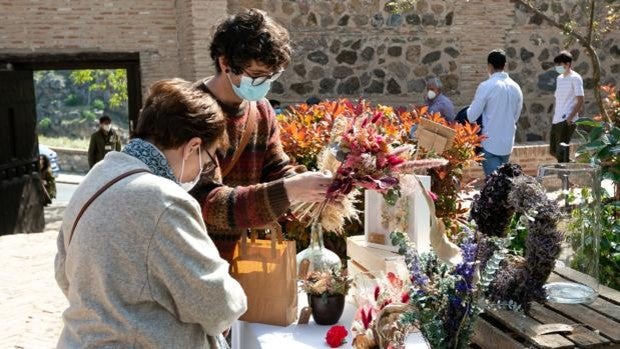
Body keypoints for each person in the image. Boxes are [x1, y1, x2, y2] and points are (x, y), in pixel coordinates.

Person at [55, 79, 247, 348]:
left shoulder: (95, 177)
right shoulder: (164, 200)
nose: (200, 173)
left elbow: (64, 275)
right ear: (192, 147)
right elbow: (217, 304)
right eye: (206, 161)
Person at [190, 9, 332, 262]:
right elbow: (206, 203)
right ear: (225, 63)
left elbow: (276, 169)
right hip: (197, 257)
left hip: (250, 254)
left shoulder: (261, 109)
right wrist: (289, 189)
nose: (264, 84)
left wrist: (312, 186)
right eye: (256, 76)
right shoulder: (190, 113)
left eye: (272, 76)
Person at [467, 49, 523, 176]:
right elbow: (516, 116)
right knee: (503, 183)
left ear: (489, 66)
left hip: (489, 143)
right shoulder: (516, 87)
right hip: (507, 144)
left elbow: (471, 116)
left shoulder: (486, 86)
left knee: (494, 186)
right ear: (505, 65)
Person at [549, 50, 584, 163]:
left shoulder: (576, 78)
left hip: (567, 119)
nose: (558, 67)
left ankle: (566, 178)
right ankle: (574, 166)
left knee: (561, 152)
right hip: (557, 119)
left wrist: (570, 118)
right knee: (553, 151)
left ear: (568, 64)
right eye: (557, 64)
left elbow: (580, 100)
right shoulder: (559, 79)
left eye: (560, 64)